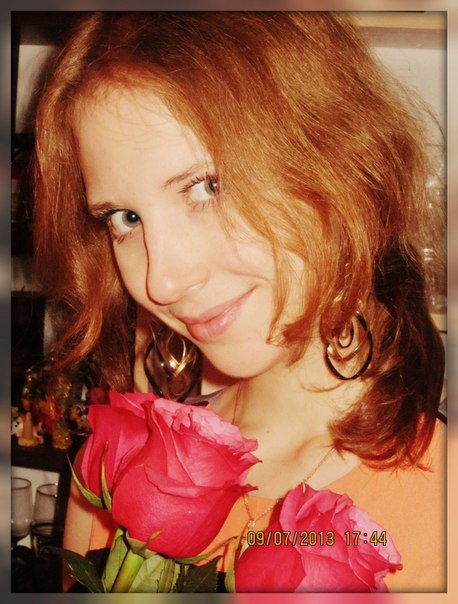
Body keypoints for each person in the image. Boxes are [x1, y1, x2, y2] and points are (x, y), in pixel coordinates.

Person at [32, 12, 445, 592]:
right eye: (124, 218)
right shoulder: (122, 466)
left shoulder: (441, 508)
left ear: (338, 163)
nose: (161, 281)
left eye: (207, 186)